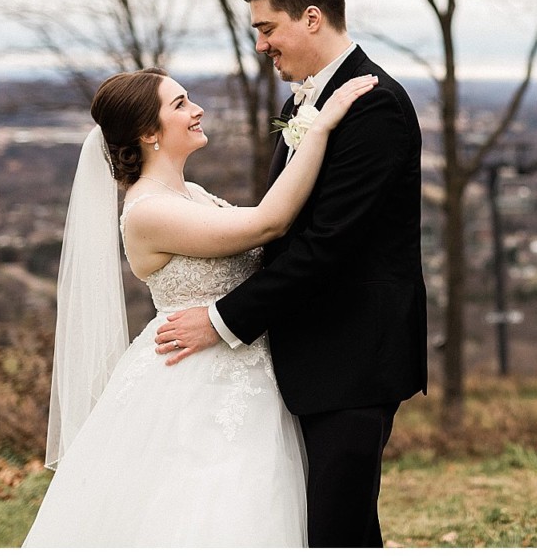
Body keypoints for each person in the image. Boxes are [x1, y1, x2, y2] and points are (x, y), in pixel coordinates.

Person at [23, 66, 378, 547]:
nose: (197, 110)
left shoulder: (190, 195)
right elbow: (268, 224)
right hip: (193, 376)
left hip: (245, 366)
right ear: (149, 133)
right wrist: (320, 127)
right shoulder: (149, 211)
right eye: (180, 104)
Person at [153, 0, 428, 547]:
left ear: (310, 18)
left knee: (337, 530)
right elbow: (278, 227)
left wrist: (222, 320)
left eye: (266, 28)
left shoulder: (375, 106)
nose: (261, 45)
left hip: (352, 356)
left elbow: (328, 246)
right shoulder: (300, 104)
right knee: (316, 527)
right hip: (308, 355)